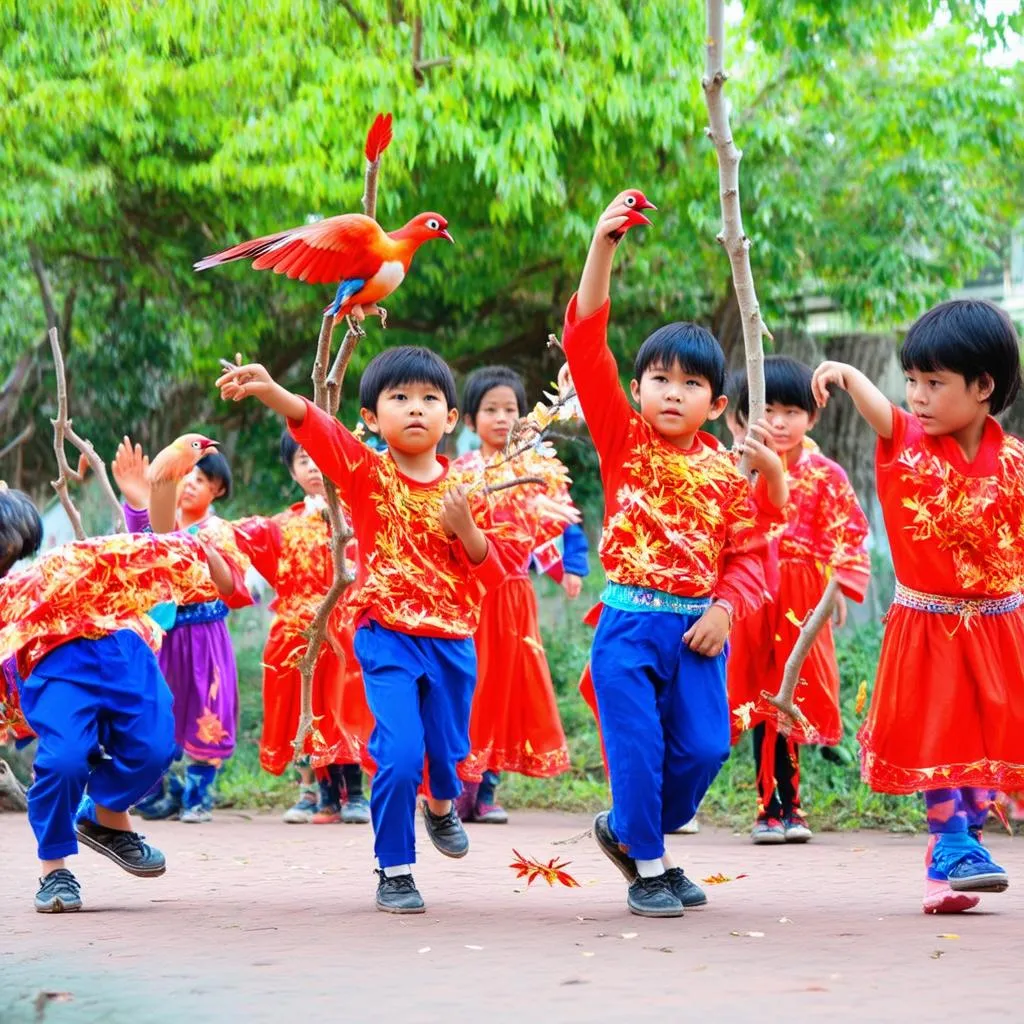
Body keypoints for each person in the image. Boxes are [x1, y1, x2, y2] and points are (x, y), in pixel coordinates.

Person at [215, 347, 525, 914]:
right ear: (371, 417)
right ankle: (396, 869)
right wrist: (269, 391)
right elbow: (316, 427)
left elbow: (497, 570)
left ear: (450, 419)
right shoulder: (365, 470)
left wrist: (467, 531)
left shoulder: (469, 488)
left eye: (430, 398)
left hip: (455, 642)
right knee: (400, 752)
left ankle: (441, 804)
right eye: (399, 398)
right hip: (386, 638)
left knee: (448, 751)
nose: (415, 409)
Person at [562, 193, 780, 918]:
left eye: (691, 384)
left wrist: (725, 607)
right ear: (635, 390)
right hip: (626, 629)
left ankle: (629, 833)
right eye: (660, 379)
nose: (673, 393)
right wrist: (603, 244)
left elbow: (751, 558)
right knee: (638, 750)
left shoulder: (728, 473)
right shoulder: (623, 444)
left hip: (697, 635)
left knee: (706, 751)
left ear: (717, 405)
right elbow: (584, 342)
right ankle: (650, 867)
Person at [811, 298, 1024, 914]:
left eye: (935, 382)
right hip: (929, 624)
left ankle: (952, 865)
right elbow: (883, 412)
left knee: (988, 745)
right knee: (941, 741)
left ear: (984, 386)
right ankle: (951, 840)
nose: (918, 395)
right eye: (911, 381)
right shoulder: (906, 439)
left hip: (1000, 625)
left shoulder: (1013, 461)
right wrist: (849, 377)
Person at [0, 484, 238, 912]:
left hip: (120, 649)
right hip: (52, 667)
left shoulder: (71, 559)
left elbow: (164, 553)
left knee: (155, 749)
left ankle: (105, 816)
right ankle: (54, 869)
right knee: (64, 760)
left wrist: (205, 557)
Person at [727, 356, 870, 844]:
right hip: (753, 596)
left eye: (793, 411)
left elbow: (849, 534)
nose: (782, 422)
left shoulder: (826, 474)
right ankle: (767, 806)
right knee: (761, 696)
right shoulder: (737, 471)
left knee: (794, 694)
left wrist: (840, 588)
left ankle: (793, 804)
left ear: (813, 416)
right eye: (769, 410)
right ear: (743, 417)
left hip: (804, 602)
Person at [451, 365, 587, 823]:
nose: (502, 418)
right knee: (469, 687)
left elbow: (567, 519)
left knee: (504, 692)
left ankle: (486, 788)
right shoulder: (459, 473)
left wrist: (573, 568)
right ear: (469, 420)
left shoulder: (536, 469)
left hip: (513, 598)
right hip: (470, 599)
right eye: (490, 409)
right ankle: (451, 786)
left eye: (510, 408)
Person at [232, 432, 373, 825]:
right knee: (307, 712)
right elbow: (253, 564)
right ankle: (324, 796)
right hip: (296, 636)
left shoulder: (357, 517)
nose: (312, 466)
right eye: (302, 460)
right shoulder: (283, 524)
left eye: (319, 457)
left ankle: (355, 794)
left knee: (345, 708)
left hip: (345, 632)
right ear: (292, 470)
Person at [113, 439, 252, 823]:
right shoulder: (164, 518)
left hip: (205, 633)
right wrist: (138, 497)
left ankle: (198, 794)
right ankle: (162, 791)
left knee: (209, 707)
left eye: (204, 478)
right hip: (162, 634)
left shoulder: (221, 531)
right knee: (157, 708)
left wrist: (203, 552)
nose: (192, 482)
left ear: (218, 490)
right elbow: (144, 544)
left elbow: (230, 583)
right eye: (188, 473)